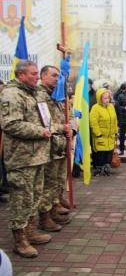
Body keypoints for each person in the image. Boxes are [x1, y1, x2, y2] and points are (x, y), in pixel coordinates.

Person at [1, 60, 52, 258]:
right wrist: (41, 131)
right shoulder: (11, 94)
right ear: (21, 74)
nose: (37, 77)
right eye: (33, 74)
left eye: (37, 73)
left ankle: (30, 231)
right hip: (21, 158)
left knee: (34, 196)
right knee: (21, 199)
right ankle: (19, 240)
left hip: (38, 155)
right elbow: (10, 124)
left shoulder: (34, 93)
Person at [36, 65, 76, 232]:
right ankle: (46, 216)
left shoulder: (58, 95)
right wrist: (62, 128)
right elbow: (44, 121)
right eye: (53, 75)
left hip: (61, 144)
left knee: (59, 179)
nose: (56, 79)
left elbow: (71, 114)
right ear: (42, 76)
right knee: (49, 183)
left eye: (58, 76)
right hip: (49, 146)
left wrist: (72, 128)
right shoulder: (39, 95)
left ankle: (56, 204)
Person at [90, 88, 119, 177]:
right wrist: (98, 133)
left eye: (108, 97)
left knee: (109, 153)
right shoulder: (95, 108)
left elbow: (114, 120)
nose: (107, 100)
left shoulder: (111, 106)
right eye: (105, 98)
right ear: (99, 98)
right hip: (101, 135)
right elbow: (93, 122)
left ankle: (107, 168)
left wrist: (115, 131)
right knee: (100, 153)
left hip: (110, 135)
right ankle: (98, 168)